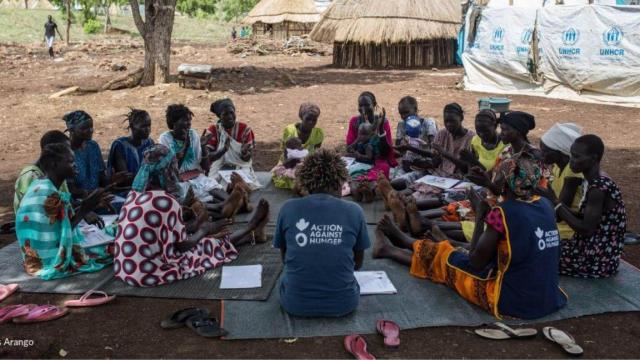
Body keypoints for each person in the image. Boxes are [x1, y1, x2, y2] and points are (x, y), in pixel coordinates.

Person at [373, 152, 567, 319]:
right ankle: (417, 241)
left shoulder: (502, 212)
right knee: (456, 250)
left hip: (511, 301)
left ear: (504, 182)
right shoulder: (545, 204)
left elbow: (475, 262)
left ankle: (392, 248)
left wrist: (481, 214)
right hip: (548, 296)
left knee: (447, 258)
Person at [114, 145, 270, 287]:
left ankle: (250, 233)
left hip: (124, 270)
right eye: (174, 166)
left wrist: (195, 227)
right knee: (207, 245)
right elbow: (182, 246)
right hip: (150, 274)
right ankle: (251, 228)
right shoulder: (166, 201)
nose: (176, 170)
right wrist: (204, 230)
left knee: (204, 237)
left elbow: (160, 232)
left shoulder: (133, 195)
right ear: (167, 170)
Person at [274, 149, 370, 317]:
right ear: (339, 182)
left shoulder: (288, 208)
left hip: (294, 303)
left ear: (305, 182)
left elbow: (285, 259)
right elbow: (357, 264)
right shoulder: (354, 211)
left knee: (285, 281)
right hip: (344, 303)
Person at [15, 143, 113, 280]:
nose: (75, 164)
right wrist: (85, 208)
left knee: (109, 234)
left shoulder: (41, 184)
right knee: (111, 248)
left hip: (36, 256)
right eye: (70, 161)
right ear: (54, 164)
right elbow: (63, 232)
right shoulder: (48, 192)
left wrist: (88, 206)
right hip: (49, 259)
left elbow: (60, 221)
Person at [543, 135, 626, 278]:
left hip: (596, 260)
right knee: (541, 248)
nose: (571, 161)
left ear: (593, 158)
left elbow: (586, 229)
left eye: (576, 157)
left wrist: (555, 203)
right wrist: (556, 202)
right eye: (571, 156)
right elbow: (589, 218)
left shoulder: (598, 188)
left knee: (538, 258)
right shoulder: (596, 180)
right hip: (596, 252)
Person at [158, 104, 225, 203]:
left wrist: (203, 147)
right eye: (185, 120)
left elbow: (205, 167)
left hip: (197, 176)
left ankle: (231, 202)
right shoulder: (165, 139)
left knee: (213, 186)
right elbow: (172, 170)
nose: (188, 124)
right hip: (179, 181)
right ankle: (223, 207)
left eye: (189, 120)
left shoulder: (193, 134)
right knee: (192, 195)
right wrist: (185, 147)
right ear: (174, 122)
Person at [64, 110, 129, 199]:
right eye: (84, 128)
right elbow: (70, 190)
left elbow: (102, 179)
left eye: (91, 127)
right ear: (71, 130)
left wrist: (112, 180)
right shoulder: (65, 152)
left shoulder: (93, 146)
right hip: (79, 203)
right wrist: (95, 194)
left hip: (98, 197)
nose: (90, 130)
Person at [539, 123, 584, 240]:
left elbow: (560, 215)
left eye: (545, 151)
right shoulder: (557, 167)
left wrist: (546, 196)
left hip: (568, 229)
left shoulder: (572, 172)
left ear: (559, 152)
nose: (541, 155)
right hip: (556, 223)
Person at [205, 98, 261, 190]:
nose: (230, 116)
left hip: (240, 165)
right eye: (225, 114)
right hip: (219, 166)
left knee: (239, 184)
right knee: (214, 186)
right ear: (220, 116)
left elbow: (247, 159)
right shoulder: (213, 130)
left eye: (232, 113)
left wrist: (244, 153)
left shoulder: (244, 129)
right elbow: (208, 157)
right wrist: (223, 150)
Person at [14, 130, 70, 214]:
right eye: (67, 151)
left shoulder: (57, 174)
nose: (70, 153)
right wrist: (83, 211)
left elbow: (65, 206)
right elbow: (39, 214)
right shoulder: (31, 176)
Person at [345, 91, 397, 181]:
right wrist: (359, 140)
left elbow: (386, 152)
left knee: (382, 169)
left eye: (367, 105)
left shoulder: (383, 122)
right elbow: (349, 148)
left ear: (374, 105)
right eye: (360, 105)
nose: (363, 109)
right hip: (358, 161)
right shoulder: (354, 122)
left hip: (378, 161)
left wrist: (380, 129)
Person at [272, 102, 324, 190]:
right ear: (301, 117)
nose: (311, 122)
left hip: (307, 164)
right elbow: (285, 156)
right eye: (308, 119)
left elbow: (316, 154)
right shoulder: (290, 131)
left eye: (314, 120)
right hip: (289, 164)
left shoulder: (318, 133)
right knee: (291, 178)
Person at [391, 96, 438, 186]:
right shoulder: (401, 124)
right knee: (391, 180)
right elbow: (399, 150)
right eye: (401, 114)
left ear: (415, 109)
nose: (403, 116)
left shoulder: (428, 123)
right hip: (407, 165)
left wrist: (410, 148)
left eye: (406, 112)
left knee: (398, 183)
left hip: (423, 166)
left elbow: (434, 151)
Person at [107, 108, 154, 188]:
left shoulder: (149, 143)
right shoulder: (120, 146)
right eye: (143, 126)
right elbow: (125, 178)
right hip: (126, 190)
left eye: (149, 125)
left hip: (146, 187)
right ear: (132, 126)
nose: (147, 129)